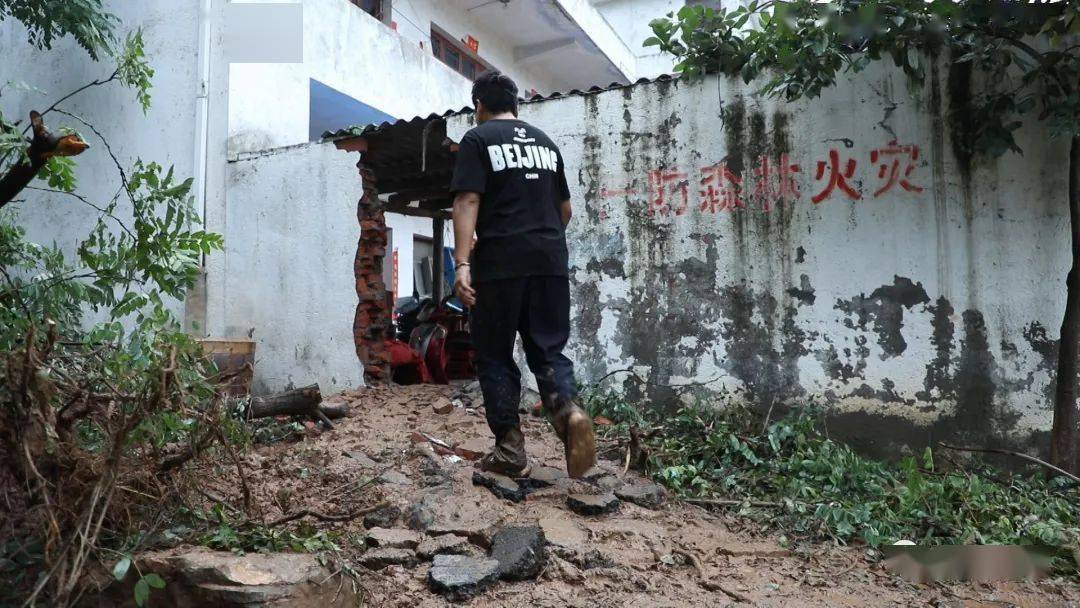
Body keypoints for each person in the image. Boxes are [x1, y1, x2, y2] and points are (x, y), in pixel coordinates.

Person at [449, 70, 596, 478]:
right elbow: (565, 211)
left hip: (499, 263)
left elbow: (467, 199)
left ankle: (510, 449)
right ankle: (568, 413)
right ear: (516, 104)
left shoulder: (477, 140)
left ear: (479, 106)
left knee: (495, 353)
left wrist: (462, 263)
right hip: (550, 262)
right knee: (548, 349)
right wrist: (540, 246)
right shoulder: (547, 144)